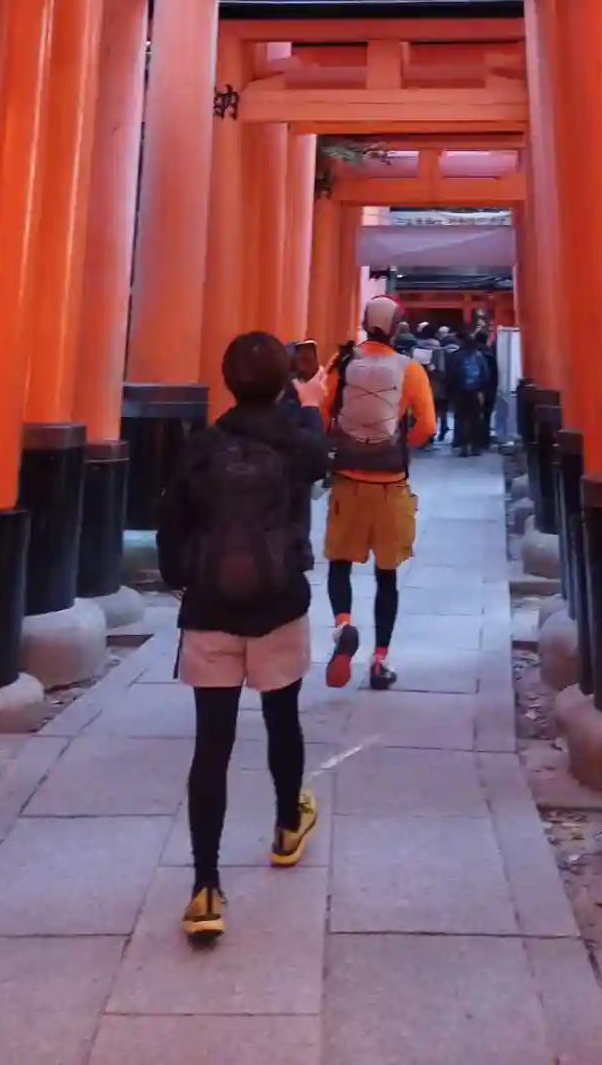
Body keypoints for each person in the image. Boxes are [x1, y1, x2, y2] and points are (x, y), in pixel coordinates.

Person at [157, 331, 331, 944]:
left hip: (211, 608)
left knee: (212, 745)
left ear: (227, 381)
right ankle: (287, 827)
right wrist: (309, 405)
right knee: (282, 719)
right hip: (278, 602)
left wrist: (183, 582)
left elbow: (171, 524)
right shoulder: (296, 443)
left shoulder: (202, 447)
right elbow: (322, 459)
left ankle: (205, 887)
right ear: (284, 381)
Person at [322, 294, 436, 690]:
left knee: (339, 563)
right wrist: (401, 447)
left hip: (348, 480)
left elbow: (323, 413)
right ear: (397, 327)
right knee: (386, 575)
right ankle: (379, 661)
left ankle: (343, 626)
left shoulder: (342, 363)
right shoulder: (409, 369)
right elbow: (427, 426)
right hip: (390, 484)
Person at [447, 325, 491, 456]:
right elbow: (485, 375)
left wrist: (450, 391)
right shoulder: (479, 356)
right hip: (476, 391)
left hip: (460, 391)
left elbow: (450, 374)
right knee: (475, 419)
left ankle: (463, 446)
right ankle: (475, 447)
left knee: (461, 419)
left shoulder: (456, 356)